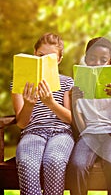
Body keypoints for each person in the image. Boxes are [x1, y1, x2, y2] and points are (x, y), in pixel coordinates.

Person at [11, 33, 74, 195]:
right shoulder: (19, 82)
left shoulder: (67, 82)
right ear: (34, 54)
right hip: (32, 132)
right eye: (40, 56)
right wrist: (29, 105)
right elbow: (21, 123)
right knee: (27, 163)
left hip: (61, 133)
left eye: (51, 58)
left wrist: (51, 103)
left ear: (59, 60)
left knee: (55, 161)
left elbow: (70, 119)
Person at [68, 37, 111, 195]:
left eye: (103, 60)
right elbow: (80, 128)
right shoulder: (77, 87)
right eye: (92, 58)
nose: (97, 63)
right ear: (86, 59)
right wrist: (74, 104)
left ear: (110, 62)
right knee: (77, 165)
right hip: (88, 135)